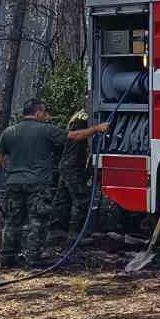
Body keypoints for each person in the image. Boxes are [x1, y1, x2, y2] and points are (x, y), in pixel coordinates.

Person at [0, 99, 109, 268]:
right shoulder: (46, 130)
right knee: (38, 221)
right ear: (38, 113)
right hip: (38, 184)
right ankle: (32, 259)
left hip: (13, 183)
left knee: (12, 222)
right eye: (45, 112)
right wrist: (97, 128)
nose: (46, 116)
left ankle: (6, 259)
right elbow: (75, 136)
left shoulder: (9, 131)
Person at [49, 101, 96, 238]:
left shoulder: (79, 115)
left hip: (67, 163)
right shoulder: (84, 118)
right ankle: (75, 234)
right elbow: (79, 136)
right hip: (73, 165)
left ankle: (56, 229)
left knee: (62, 197)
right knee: (82, 197)